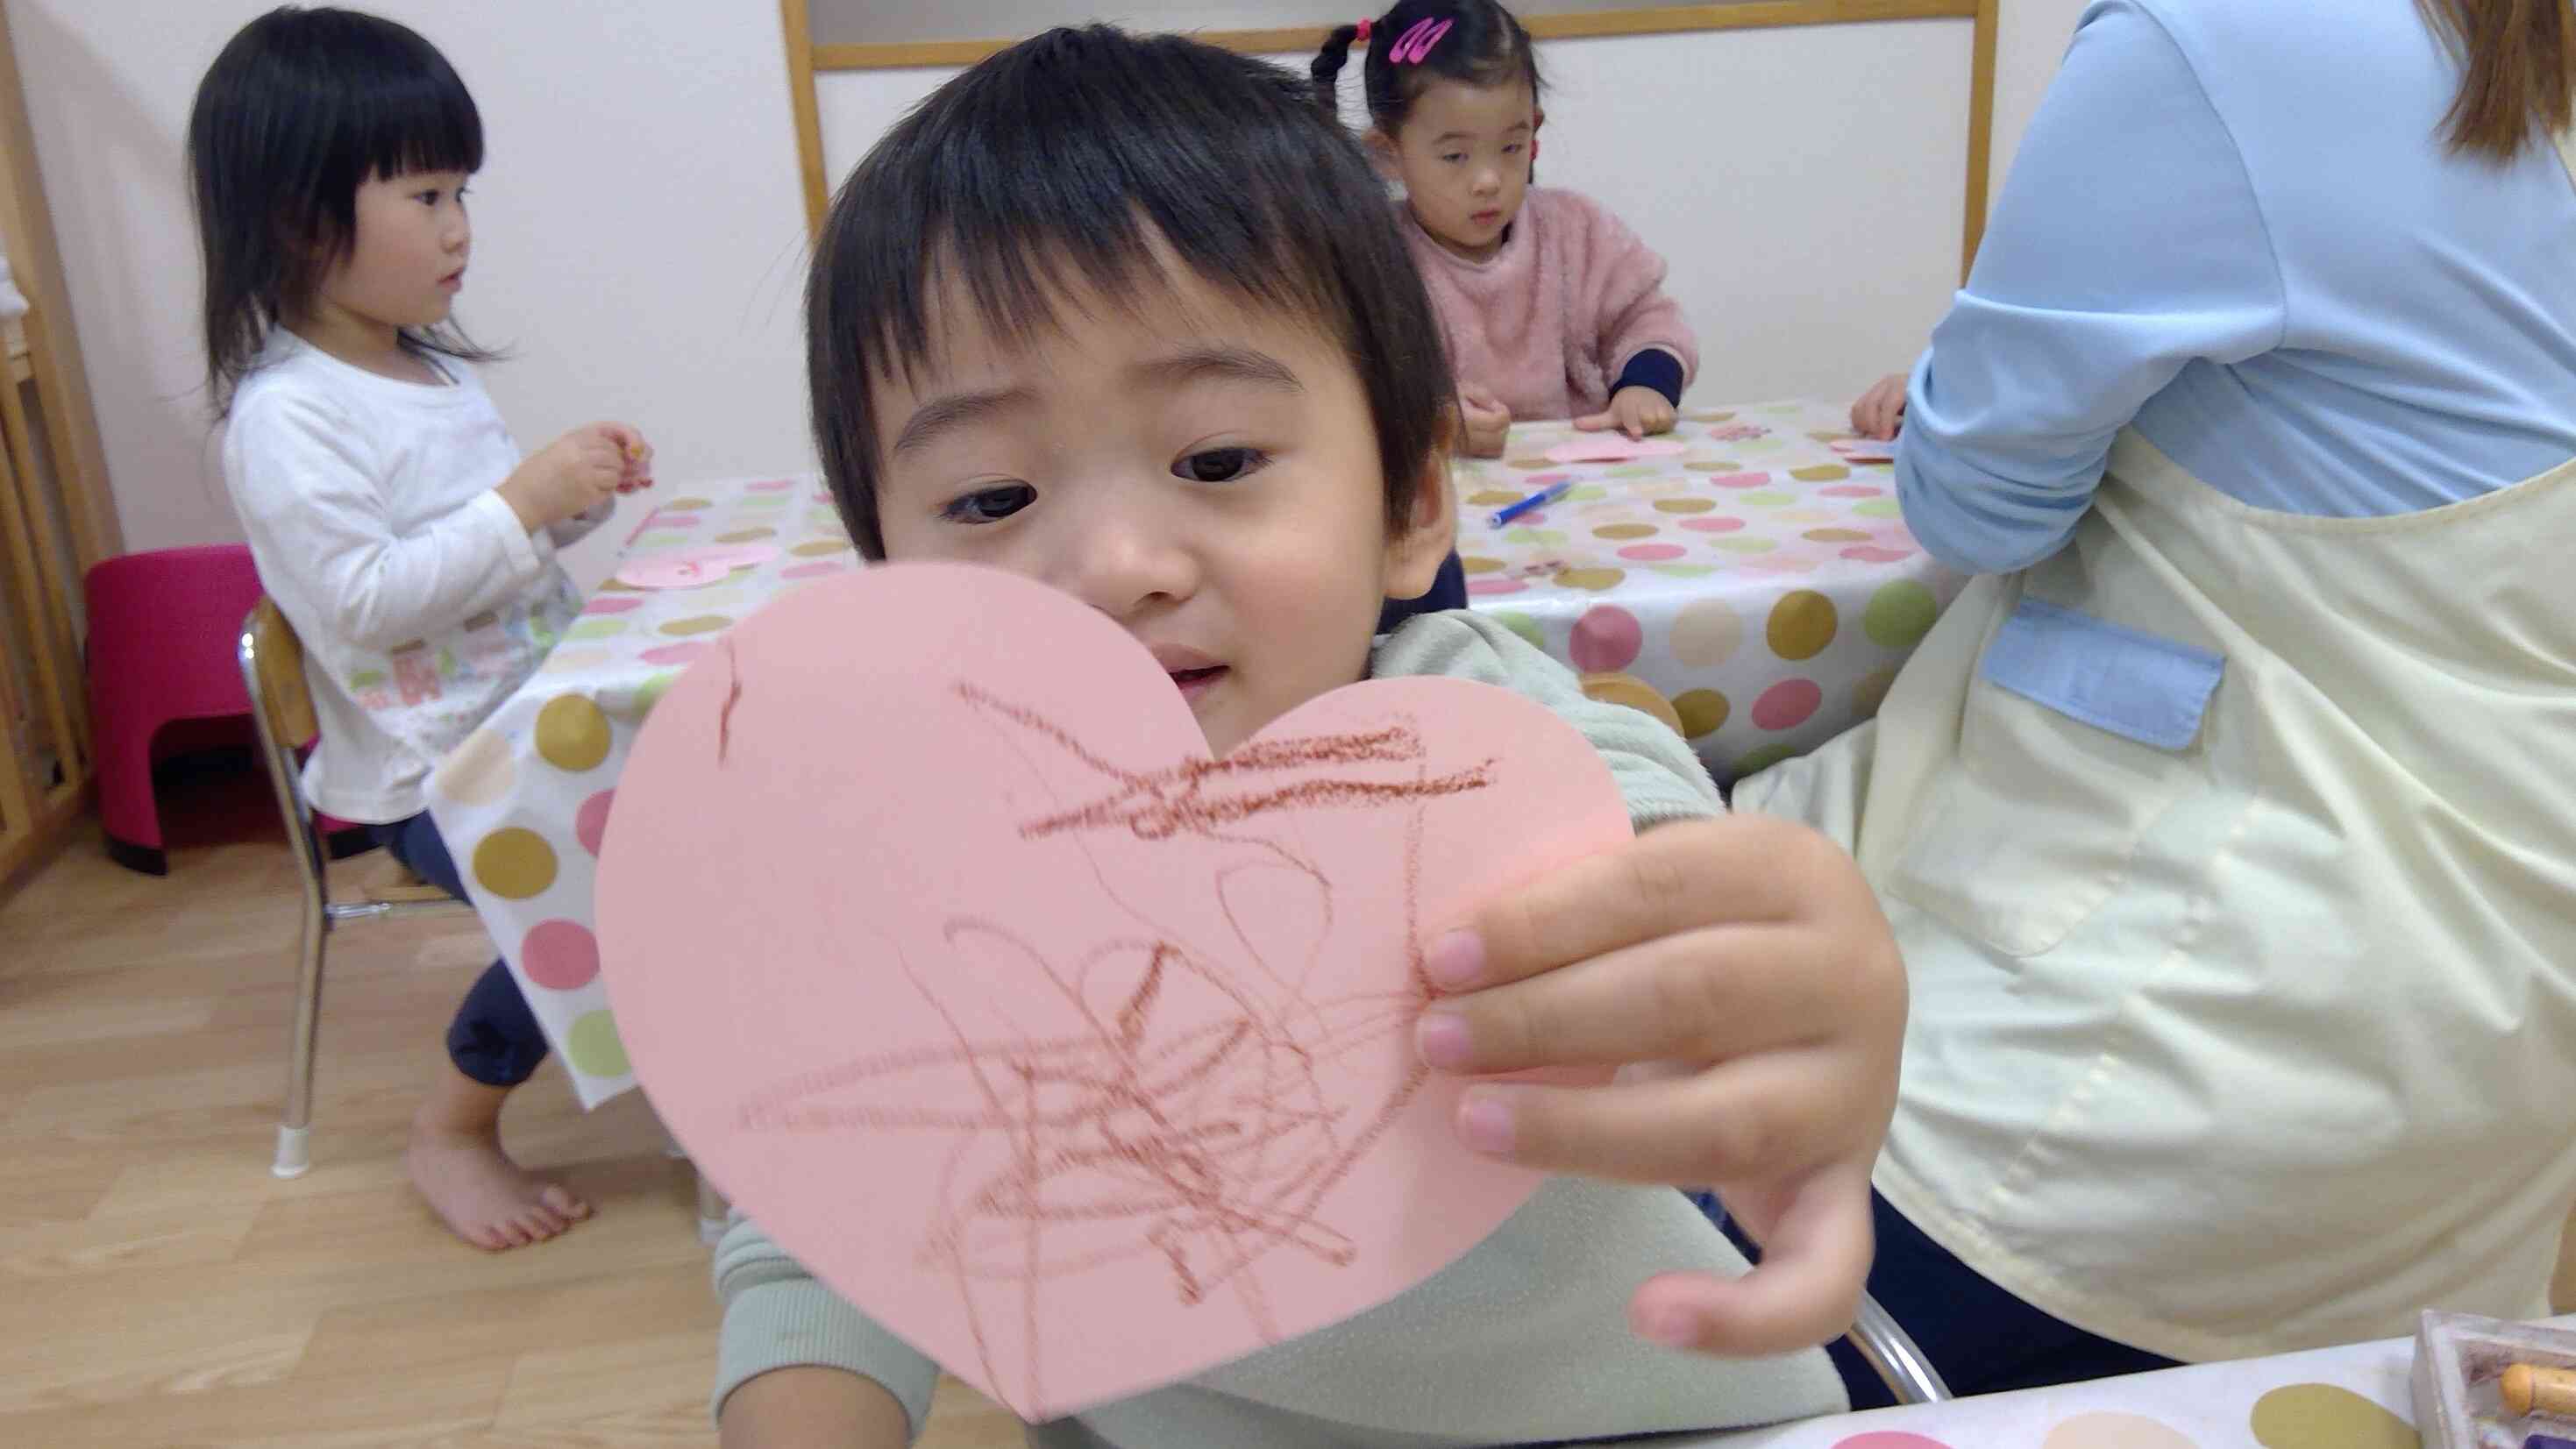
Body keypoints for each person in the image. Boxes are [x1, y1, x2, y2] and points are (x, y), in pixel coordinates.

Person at [715, 26, 1907, 1447]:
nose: (1112, 566)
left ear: (1409, 504)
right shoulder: (916, 860)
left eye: (1214, 461)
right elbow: (821, 1210)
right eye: (985, 498)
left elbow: (1650, 863)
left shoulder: (1469, 739)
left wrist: (1782, 993)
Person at [1789, 0, 2576, 1403]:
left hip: (2147, 1069)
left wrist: (1988, 373)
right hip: (2495, 1088)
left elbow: (1976, 501)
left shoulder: (2217, 43)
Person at [190, 5, 653, 1250]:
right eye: (424, 195)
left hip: (529, 719)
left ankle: (708, 1022)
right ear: (299, 215)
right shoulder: (288, 417)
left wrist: (563, 505)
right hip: (432, 769)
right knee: (618, 891)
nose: (458, 229)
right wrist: (522, 502)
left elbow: (475, 570)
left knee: (718, 786)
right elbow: (363, 606)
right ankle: (451, 1125)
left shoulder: (433, 376)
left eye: (462, 193)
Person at [1313, 1, 1696, 458]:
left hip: (1581, 482)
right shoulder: (1374, 258)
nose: (1489, 180)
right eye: (1455, 155)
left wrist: (1645, 385)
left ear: (1533, 130)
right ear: (1387, 153)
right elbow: (1343, 383)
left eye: (1511, 147)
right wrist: (1433, 420)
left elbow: (1649, 319)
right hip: (1447, 496)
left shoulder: (1578, 232)